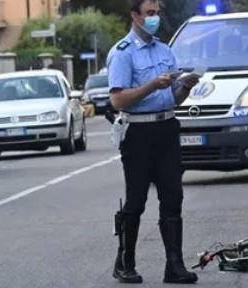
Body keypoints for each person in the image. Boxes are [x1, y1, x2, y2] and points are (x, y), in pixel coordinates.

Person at [106, 0, 200, 284]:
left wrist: (185, 86)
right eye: (149, 14)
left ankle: (175, 265)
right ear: (135, 16)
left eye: (157, 13)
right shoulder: (122, 53)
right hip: (138, 133)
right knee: (136, 199)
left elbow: (172, 98)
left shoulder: (165, 50)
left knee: (173, 196)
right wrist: (150, 86)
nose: (154, 18)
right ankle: (125, 262)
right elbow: (117, 99)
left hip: (167, 129)